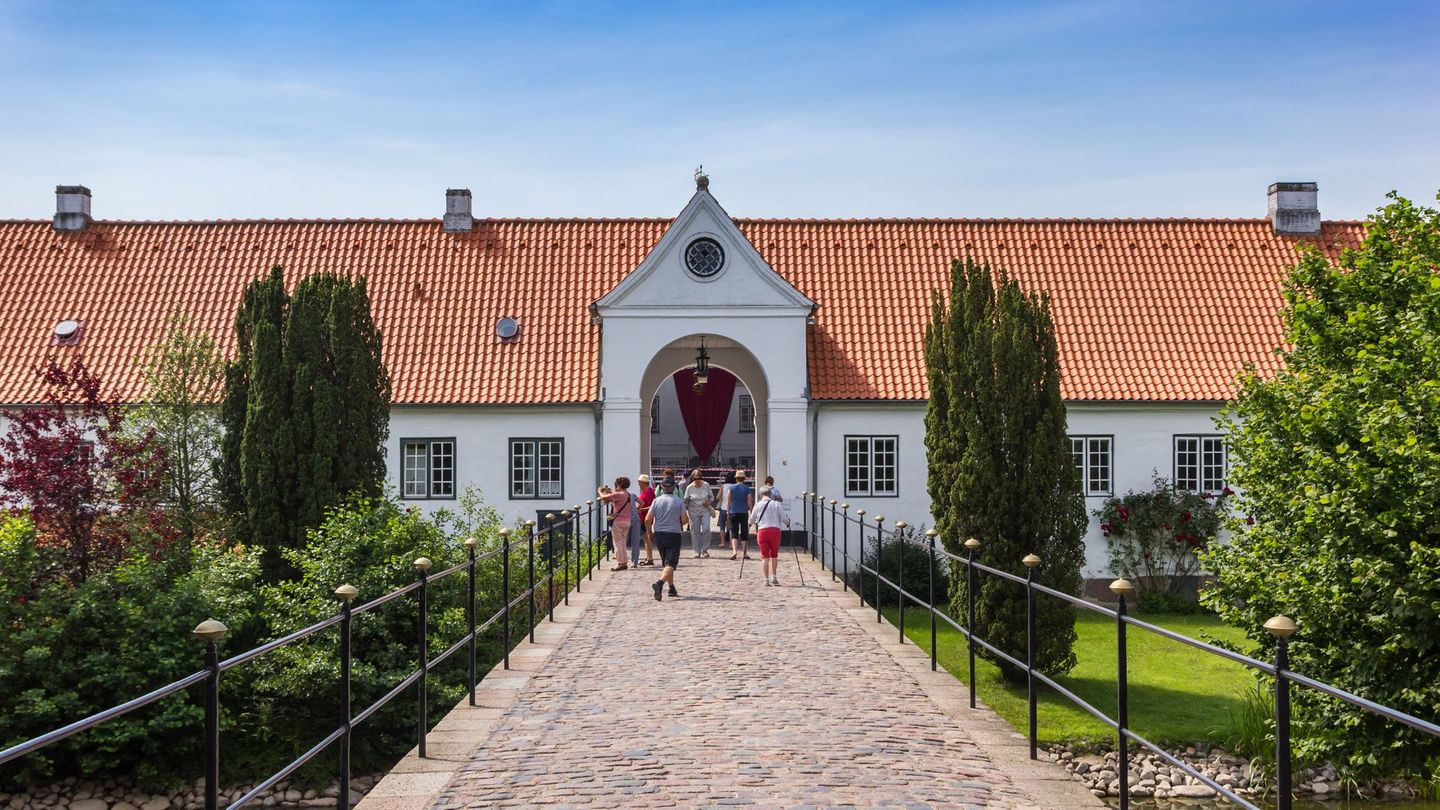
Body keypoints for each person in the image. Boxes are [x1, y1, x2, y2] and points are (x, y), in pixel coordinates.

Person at [645, 476, 689, 600]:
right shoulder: (678, 501)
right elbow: (685, 520)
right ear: (674, 488)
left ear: (662, 488)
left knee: (666, 562)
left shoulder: (656, 501)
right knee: (671, 563)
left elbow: (648, 519)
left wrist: (649, 532)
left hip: (659, 533)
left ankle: (671, 587)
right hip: (673, 533)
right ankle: (660, 583)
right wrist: (679, 523)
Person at [748, 485, 791, 586]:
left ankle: (766, 579)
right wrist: (788, 522)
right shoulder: (777, 504)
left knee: (765, 556)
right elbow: (784, 518)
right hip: (775, 531)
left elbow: (751, 519)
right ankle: (774, 577)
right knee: (774, 555)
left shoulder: (758, 505)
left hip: (762, 531)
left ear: (760, 494)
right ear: (770, 494)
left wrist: (749, 524)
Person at [597, 477, 636, 571]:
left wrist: (600, 491)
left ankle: (621, 563)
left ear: (619, 485)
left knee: (617, 543)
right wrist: (610, 492)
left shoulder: (619, 494)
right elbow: (614, 497)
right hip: (627, 521)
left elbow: (603, 498)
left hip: (618, 521)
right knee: (623, 542)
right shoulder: (629, 495)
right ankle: (624, 562)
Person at [683, 469, 714, 557]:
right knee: (695, 531)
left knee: (706, 529)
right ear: (692, 478)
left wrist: (708, 502)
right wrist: (685, 507)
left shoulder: (706, 485)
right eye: (695, 479)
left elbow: (712, 497)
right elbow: (686, 500)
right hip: (693, 511)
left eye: (699, 478)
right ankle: (696, 550)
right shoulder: (690, 487)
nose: (697, 480)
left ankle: (705, 549)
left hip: (705, 510)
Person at [727, 471, 754, 560]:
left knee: (734, 532)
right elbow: (750, 502)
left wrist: (728, 511)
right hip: (743, 513)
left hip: (733, 512)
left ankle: (734, 551)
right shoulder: (747, 489)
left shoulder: (731, 488)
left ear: (736, 478)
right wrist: (751, 513)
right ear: (744, 478)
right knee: (744, 533)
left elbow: (729, 501)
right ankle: (745, 553)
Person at [636, 474, 656, 566]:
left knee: (647, 538)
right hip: (643, 516)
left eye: (639, 482)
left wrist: (643, 509)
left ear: (643, 483)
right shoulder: (644, 491)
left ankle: (650, 558)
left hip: (646, 517)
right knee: (645, 538)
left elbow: (653, 505)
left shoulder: (649, 492)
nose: (638, 483)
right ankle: (648, 557)